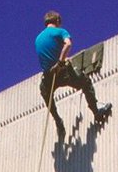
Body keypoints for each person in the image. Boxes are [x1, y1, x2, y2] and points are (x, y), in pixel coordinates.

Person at [35, 11, 112, 140]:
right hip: (62, 72)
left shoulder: (38, 39)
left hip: (48, 76)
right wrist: (60, 62)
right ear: (58, 21)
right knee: (86, 82)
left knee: (46, 95)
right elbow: (68, 44)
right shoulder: (60, 32)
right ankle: (96, 110)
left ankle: (58, 122)